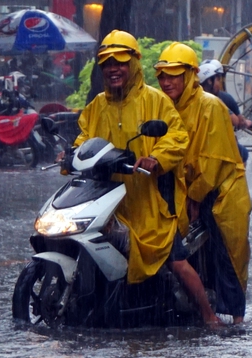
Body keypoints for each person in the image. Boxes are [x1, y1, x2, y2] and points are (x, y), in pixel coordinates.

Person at [73, 30, 223, 328]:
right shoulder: (97, 105)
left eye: (120, 62)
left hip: (152, 199)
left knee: (175, 259)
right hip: (108, 197)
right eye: (107, 63)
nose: (113, 68)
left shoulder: (156, 101)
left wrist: (156, 159)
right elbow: (84, 137)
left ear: (134, 64)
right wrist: (72, 155)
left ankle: (209, 317)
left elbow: (177, 137)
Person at [154, 42, 252, 325]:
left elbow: (212, 161)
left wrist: (195, 198)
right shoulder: (164, 106)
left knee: (227, 252)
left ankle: (236, 319)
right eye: (162, 75)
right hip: (185, 187)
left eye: (174, 75)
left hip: (221, 191)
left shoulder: (211, 106)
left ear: (191, 75)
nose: (167, 81)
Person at [198, 59, 250, 164]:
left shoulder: (194, 98)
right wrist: (246, 123)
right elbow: (237, 121)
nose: (220, 82)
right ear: (209, 81)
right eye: (217, 79)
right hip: (218, 147)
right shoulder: (219, 101)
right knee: (243, 154)